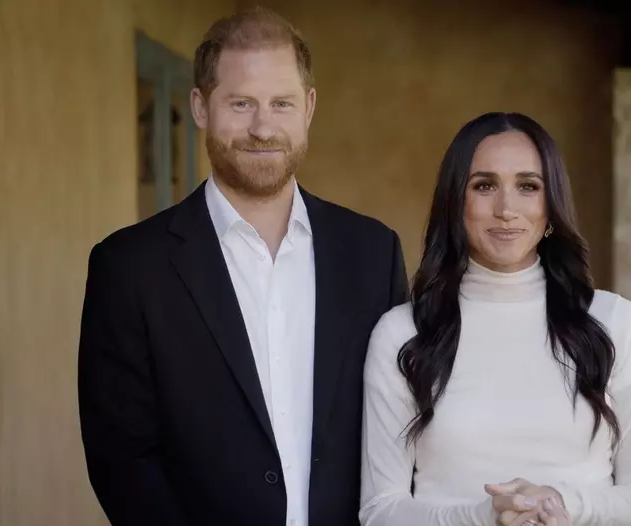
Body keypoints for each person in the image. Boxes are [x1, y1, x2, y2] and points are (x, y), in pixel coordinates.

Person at [78, 7, 408, 526]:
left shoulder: (373, 253)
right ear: (200, 107)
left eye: (281, 103)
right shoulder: (128, 268)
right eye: (241, 103)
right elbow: (122, 460)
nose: (263, 127)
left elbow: (399, 430)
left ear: (309, 108)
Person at [359, 112, 631, 526]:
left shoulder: (615, 323)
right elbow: (380, 511)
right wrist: (484, 516)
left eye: (528, 186)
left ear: (550, 204)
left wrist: (561, 505)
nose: (506, 209)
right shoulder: (402, 334)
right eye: (484, 185)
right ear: (456, 201)